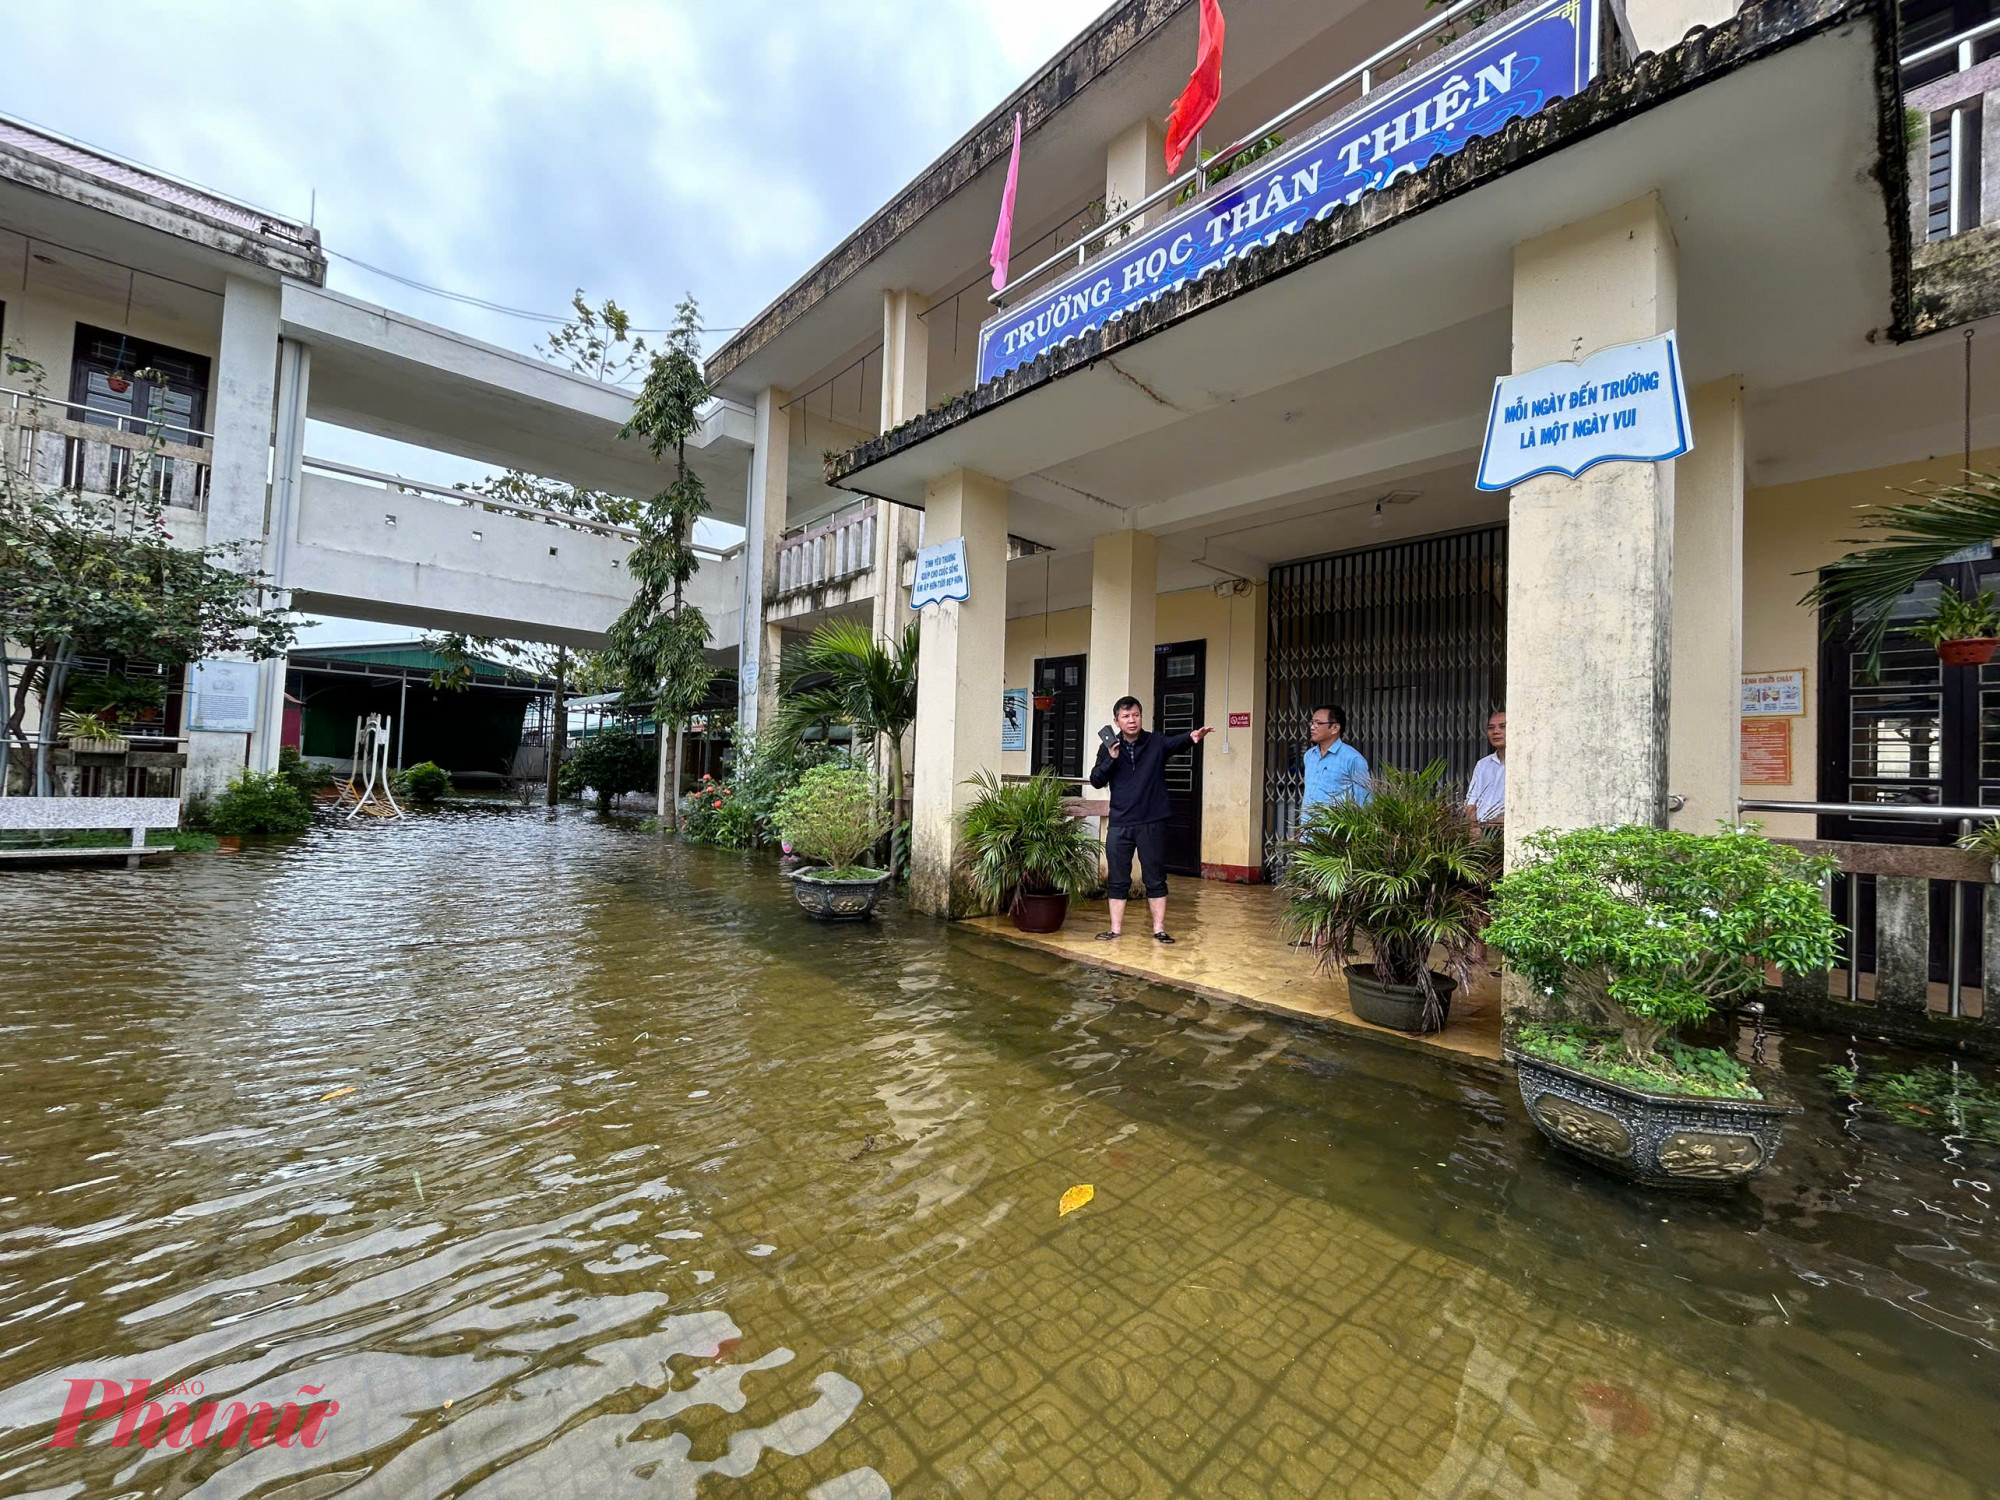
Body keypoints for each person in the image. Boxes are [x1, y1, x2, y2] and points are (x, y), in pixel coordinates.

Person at [1088, 695, 1214, 944]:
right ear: (1116, 721)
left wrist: (1193, 737)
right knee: (1118, 877)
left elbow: (1174, 743)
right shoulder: (1108, 747)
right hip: (1121, 823)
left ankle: (1159, 929)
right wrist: (1111, 759)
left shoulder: (1154, 742)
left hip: (1151, 821)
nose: (1131, 720)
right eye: (1125, 716)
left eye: (1135, 715)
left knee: (1154, 876)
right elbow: (1096, 780)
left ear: (1141, 716)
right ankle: (1115, 929)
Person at [1298, 703, 1369, 815]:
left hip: (1335, 831)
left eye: (1319, 723)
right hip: (1307, 830)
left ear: (1335, 728)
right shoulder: (1309, 756)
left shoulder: (1353, 759)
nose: (1312, 727)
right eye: (1312, 722)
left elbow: (1365, 803)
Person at [1466, 709, 1505, 833]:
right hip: (1480, 830)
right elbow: (1471, 800)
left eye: (1503, 727)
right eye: (1491, 728)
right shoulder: (1483, 764)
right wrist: (1473, 827)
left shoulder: (1524, 765)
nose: (1496, 732)